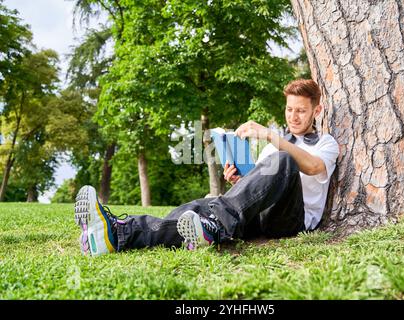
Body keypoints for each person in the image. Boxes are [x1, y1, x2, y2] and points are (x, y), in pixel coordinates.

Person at [74, 79, 339, 256]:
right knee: (193, 209)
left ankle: (215, 223)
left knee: (284, 160)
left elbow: (314, 167)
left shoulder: (326, 143)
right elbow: (261, 188)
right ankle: (116, 233)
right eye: (289, 109)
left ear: (317, 111)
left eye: (301, 111)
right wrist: (240, 178)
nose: (293, 117)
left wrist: (271, 136)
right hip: (259, 216)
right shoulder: (276, 146)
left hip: (291, 221)